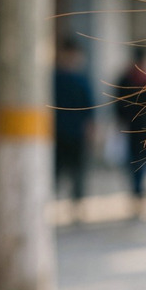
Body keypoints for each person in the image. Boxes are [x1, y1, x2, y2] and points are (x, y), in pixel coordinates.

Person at [111, 44, 146, 203]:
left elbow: (118, 103)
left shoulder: (127, 78)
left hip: (134, 126)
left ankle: (138, 190)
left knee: (136, 160)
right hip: (144, 127)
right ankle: (139, 189)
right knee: (141, 160)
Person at [52, 37, 94, 208]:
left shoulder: (81, 79)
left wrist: (91, 130)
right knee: (56, 170)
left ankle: (77, 203)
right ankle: (52, 201)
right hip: (57, 133)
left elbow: (90, 108)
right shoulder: (55, 78)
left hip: (77, 133)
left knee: (77, 171)